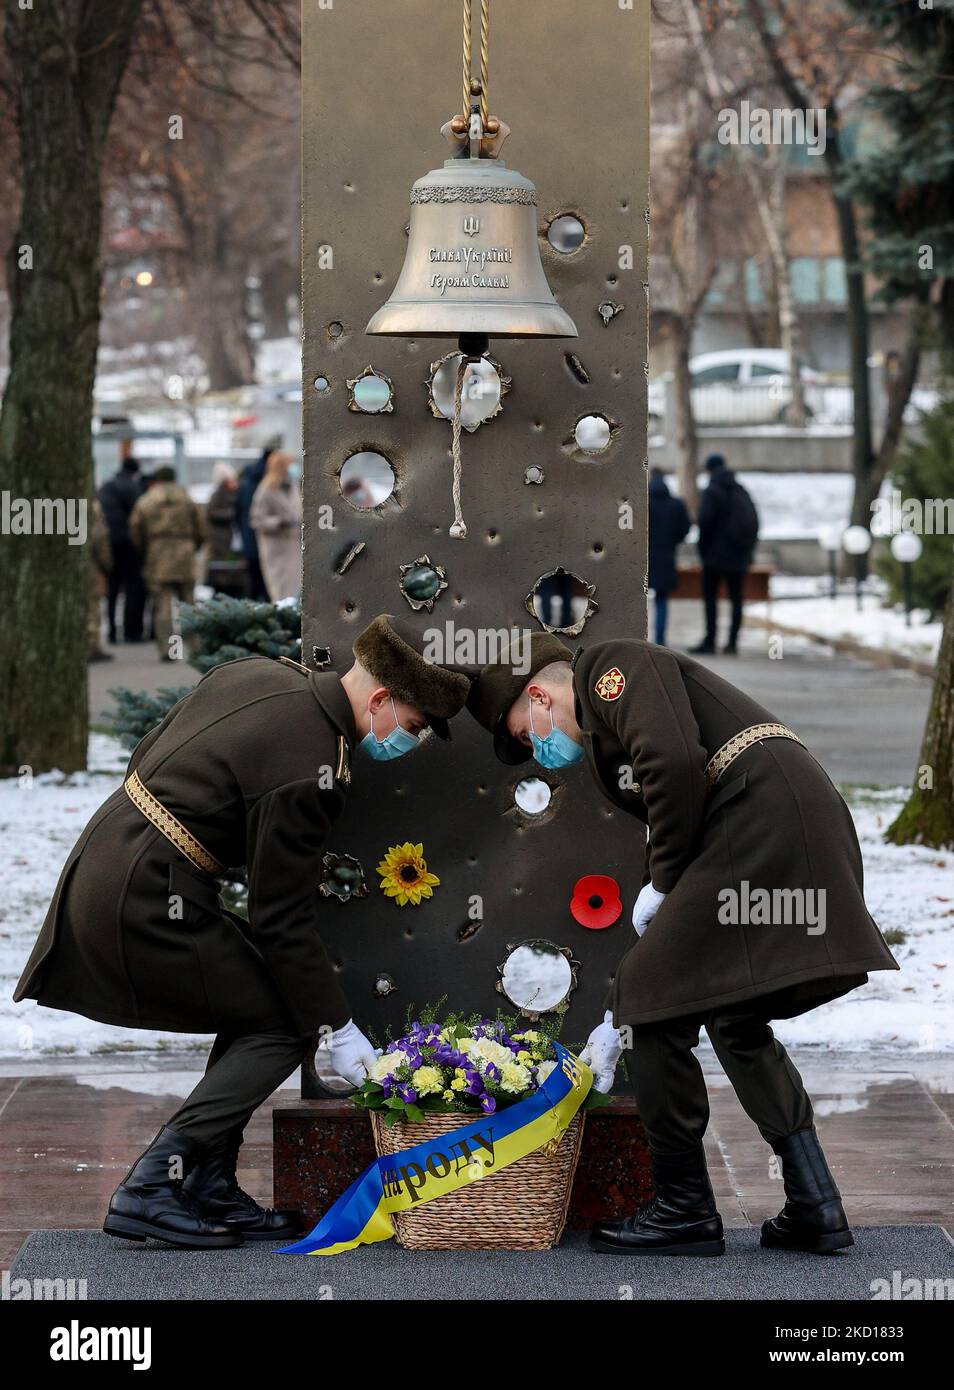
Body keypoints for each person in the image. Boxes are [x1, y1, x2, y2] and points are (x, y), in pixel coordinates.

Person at [13, 615, 471, 1249]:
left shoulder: (267, 678)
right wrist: (335, 1027)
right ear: (380, 701)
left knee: (253, 997)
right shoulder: (313, 765)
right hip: (143, 897)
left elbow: (153, 745)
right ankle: (151, 1186)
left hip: (117, 862)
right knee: (285, 1021)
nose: (410, 742)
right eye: (414, 728)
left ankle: (204, 1182)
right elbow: (281, 919)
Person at [466, 632, 899, 1258]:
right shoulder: (602, 723)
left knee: (646, 996)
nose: (541, 748)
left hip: (758, 819)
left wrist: (665, 885)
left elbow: (670, 764)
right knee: (735, 1014)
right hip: (777, 814)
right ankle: (815, 1204)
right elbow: (672, 794)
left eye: (530, 734)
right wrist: (661, 886)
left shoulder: (611, 667)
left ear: (538, 696)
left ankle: (684, 1208)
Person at [129, 465, 206, 660]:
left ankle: (168, 650)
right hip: (184, 552)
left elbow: (135, 529)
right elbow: (201, 528)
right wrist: (192, 545)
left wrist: (147, 548)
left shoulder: (147, 500)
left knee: (162, 606)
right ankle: (195, 646)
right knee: (188, 602)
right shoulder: (186, 498)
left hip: (158, 553)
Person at [690, 453, 759, 656]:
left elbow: (705, 522)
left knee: (711, 599)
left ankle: (710, 641)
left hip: (714, 558)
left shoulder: (712, 491)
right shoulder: (740, 489)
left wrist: (703, 550)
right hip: (739, 557)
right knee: (737, 599)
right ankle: (732, 643)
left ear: (710, 470)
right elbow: (754, 522)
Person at [97, 457, 146, 643]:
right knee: (134, 587)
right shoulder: (132, 487)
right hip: (128, 544)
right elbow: (139, 517)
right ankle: (131, 631)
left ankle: (111, 632)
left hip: (108, 543)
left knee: (112, 588)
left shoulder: (107, 486)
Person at [249, 450, 302, 602]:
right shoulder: (265, 489)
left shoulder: (292, 486)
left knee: (296, 590)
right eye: (289, 464)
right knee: (281, 591)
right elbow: (256, 519)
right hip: (277, 548)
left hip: (293, 545)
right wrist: (279, 522)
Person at [648, 468, 690, 646]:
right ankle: (660, 639)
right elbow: (685, 529)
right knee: (662, 599)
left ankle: (635, 639)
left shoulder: (643, 503)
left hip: (644, 558)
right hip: (667, 557)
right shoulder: (676, 504)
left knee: (636, 598)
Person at [235, 447, 274, 601]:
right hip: (271, 541)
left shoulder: (246, 483)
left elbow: (237, 515)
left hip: (249, 541)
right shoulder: (271, 484)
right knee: (269, 586)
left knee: (252, 582)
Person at [204, 462, 246, 597]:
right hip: (223, 542)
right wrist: (233, 513)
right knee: (224, 574)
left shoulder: (230, 493)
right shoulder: (220, 494)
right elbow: (212, 513)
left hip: (227, 542)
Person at [87, 499, 114, 664]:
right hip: (87, 562)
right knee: (91, 605)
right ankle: (91, 646)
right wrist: (106, 563)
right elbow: (99, 536)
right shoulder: (90, 506)